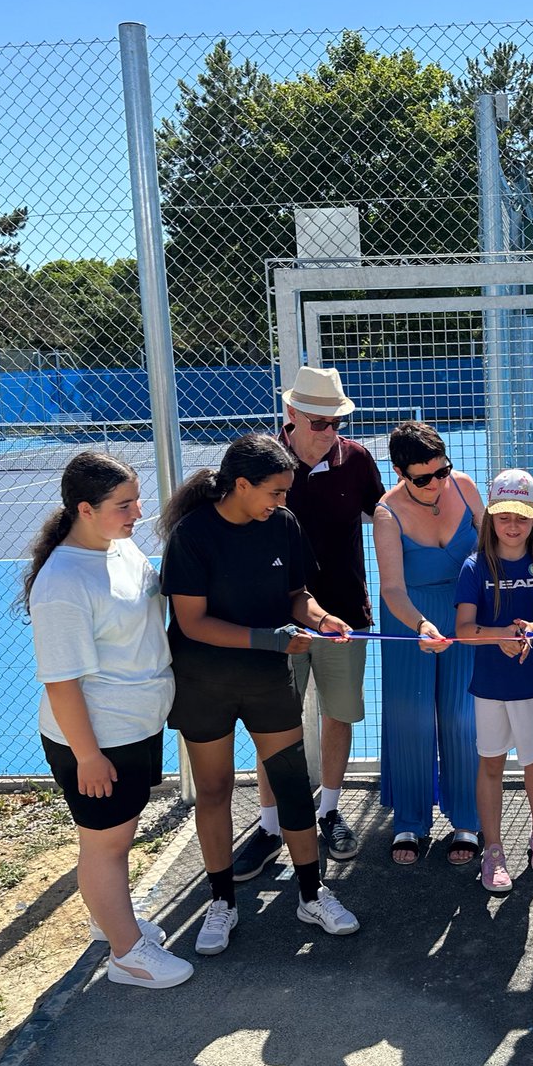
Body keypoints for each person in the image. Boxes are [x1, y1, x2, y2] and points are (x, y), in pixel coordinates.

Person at [159, 434, 360, 955]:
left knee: (292, 785)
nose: (283, 502)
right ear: (241, 485)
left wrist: (320, 618)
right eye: (274, 491)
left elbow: (297, 595)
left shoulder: (283, 525)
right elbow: (191, 622)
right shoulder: (192, 534)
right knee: (216, 789)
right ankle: (222, 901)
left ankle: (312, 894)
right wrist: (267, 638)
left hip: (268, 678)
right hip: (204, 682)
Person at [23, 452, 192, 989]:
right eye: (124, 505)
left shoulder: (119, 548)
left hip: (135, 724)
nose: (138, 512)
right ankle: (127, 954)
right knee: (105, 843)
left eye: (137, 499)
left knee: (118, 835)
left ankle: (111, 921)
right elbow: (61, 682)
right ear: (85, 509)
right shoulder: (63, 584)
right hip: (98, 738)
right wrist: (88, 755)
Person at [232, 367, 384, 882]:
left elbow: (389, 514)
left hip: (345, 616)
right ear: (291, 414)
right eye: (317, 421)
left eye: (336, 421)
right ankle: (271, 824)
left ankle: (329, 811)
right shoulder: (262, 463)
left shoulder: (358, 459)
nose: (328, 431)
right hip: (276, 624)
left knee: (339, 716)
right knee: (275, 725)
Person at [373, 422, 483, 865]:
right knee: (411, 716)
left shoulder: (465, 487)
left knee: (462, 715)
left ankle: (467, 820)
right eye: (422, 478)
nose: (436, 483)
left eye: (442, 471)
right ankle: (410, 821)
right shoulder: (386, 513)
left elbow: (496, 544)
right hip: (409, 619)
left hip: (464, 614)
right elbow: (393, 589)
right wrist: (420, 625)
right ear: (400, 472)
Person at [454, 469, 533, 894]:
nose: (512, 525)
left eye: (521, 516)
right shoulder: (474, 566)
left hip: (532, 683)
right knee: (492, 764)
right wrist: (499, 637)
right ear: (490, 518)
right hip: (489, 686)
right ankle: (494, 849)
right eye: (504, 517)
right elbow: (463, 629)